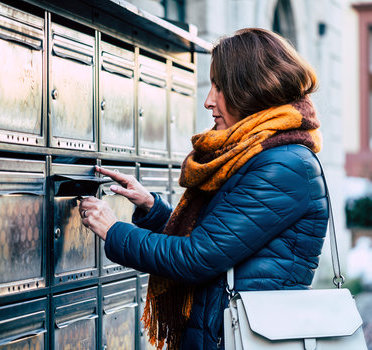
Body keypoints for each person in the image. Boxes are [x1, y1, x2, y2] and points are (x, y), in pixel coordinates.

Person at [79, 28, 329, 350]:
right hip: (221, 332)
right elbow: (218, 235)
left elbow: (197, 256)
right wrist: (151, 209)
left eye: (219, 87)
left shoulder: (283, 165)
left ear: (250, 89)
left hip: (248, 337)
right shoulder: (255, 152)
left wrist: (114, 230)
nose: (209, 101)